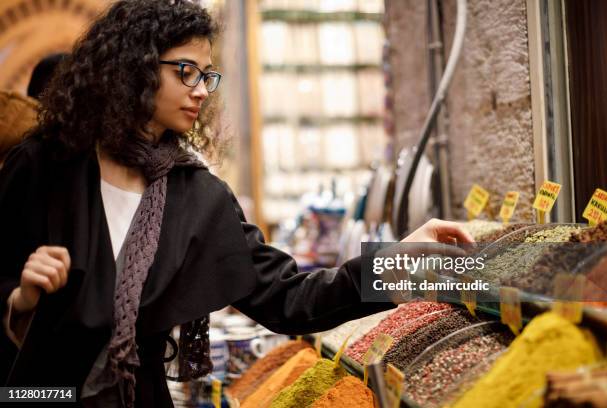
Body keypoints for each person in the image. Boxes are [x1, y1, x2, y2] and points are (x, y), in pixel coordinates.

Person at [0, 1, 473, 407]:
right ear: (132, 68)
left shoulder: (198, 197)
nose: (202, 90)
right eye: (185, 71)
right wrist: (20, 300)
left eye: (208, 76)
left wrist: (396, 263)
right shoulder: (44, 166)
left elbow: (290, 299)